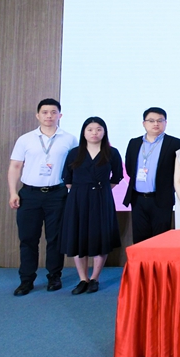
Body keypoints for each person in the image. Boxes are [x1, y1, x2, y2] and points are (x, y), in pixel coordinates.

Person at [7, 98, 79, 296]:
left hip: (57, 194)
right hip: (29, 194)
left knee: (55, 238)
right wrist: (13, 192)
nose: (49, 116)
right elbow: (15, 166)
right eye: (45, 112)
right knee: (28, 239)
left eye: (53, 112)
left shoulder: (70, 139)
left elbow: (76, 167)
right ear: (37, 115)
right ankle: (26, 280)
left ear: (60, 115)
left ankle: (54, 277)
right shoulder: (25, 139)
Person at [60, 117, 123, 294]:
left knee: (100, 237)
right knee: (78, 236)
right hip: (78, 199)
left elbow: (117, 176)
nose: (94, 133)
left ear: (104, 132)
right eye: (90, 129)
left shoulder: (112, 152)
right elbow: (67, 179)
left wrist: (100, 189)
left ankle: (95, 278)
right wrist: (83, 190)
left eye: (98, 129)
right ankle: (83, 279)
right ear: (84, 132)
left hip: (102, 198)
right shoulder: (74, 153)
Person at [123, 107, 180, 243]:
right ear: (144, 123)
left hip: (161, 199)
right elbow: (129, 167)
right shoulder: (134, 143)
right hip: (138, 199)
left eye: (160, 120)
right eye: (151, 121)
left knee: (161, 239)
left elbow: (179, 171)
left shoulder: (174, 143)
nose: (156, 124)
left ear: (165, 123)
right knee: (140, 239)